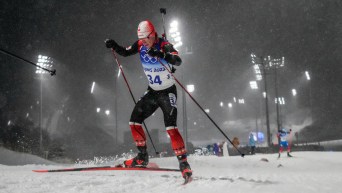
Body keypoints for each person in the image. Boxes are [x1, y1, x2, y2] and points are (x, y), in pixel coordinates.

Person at [104, 20, 192, 179]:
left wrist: (161, 54)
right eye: (141, 38)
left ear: (153, 35)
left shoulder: (164, 44)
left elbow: (178, 61)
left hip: (167, 92)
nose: (143, 41)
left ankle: (184, 163)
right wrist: (114, 45)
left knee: (171, 127)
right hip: (152, 92)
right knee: (134, 121)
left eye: (146, 38)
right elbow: (124, 52)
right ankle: (142, 157)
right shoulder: (140, 45)